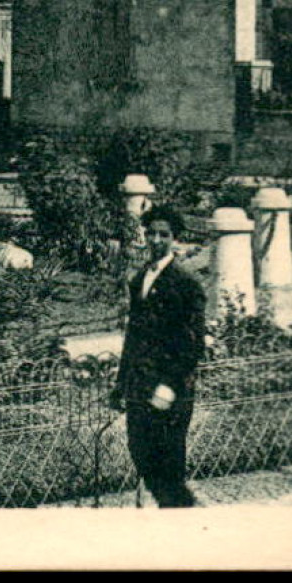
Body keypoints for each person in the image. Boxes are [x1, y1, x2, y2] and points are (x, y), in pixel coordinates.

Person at [111, 205, 207, 507]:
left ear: (175, 239)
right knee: (140, 453)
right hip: (139, 386)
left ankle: (181, 521)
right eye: (150, 233)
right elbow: (134, 337)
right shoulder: (140, 278)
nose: (155, 240)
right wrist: (120, 385)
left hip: (170, 389)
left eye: (163, 234)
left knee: (168, 466)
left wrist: (169, 385)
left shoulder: (185, 283)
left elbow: (192, 344)